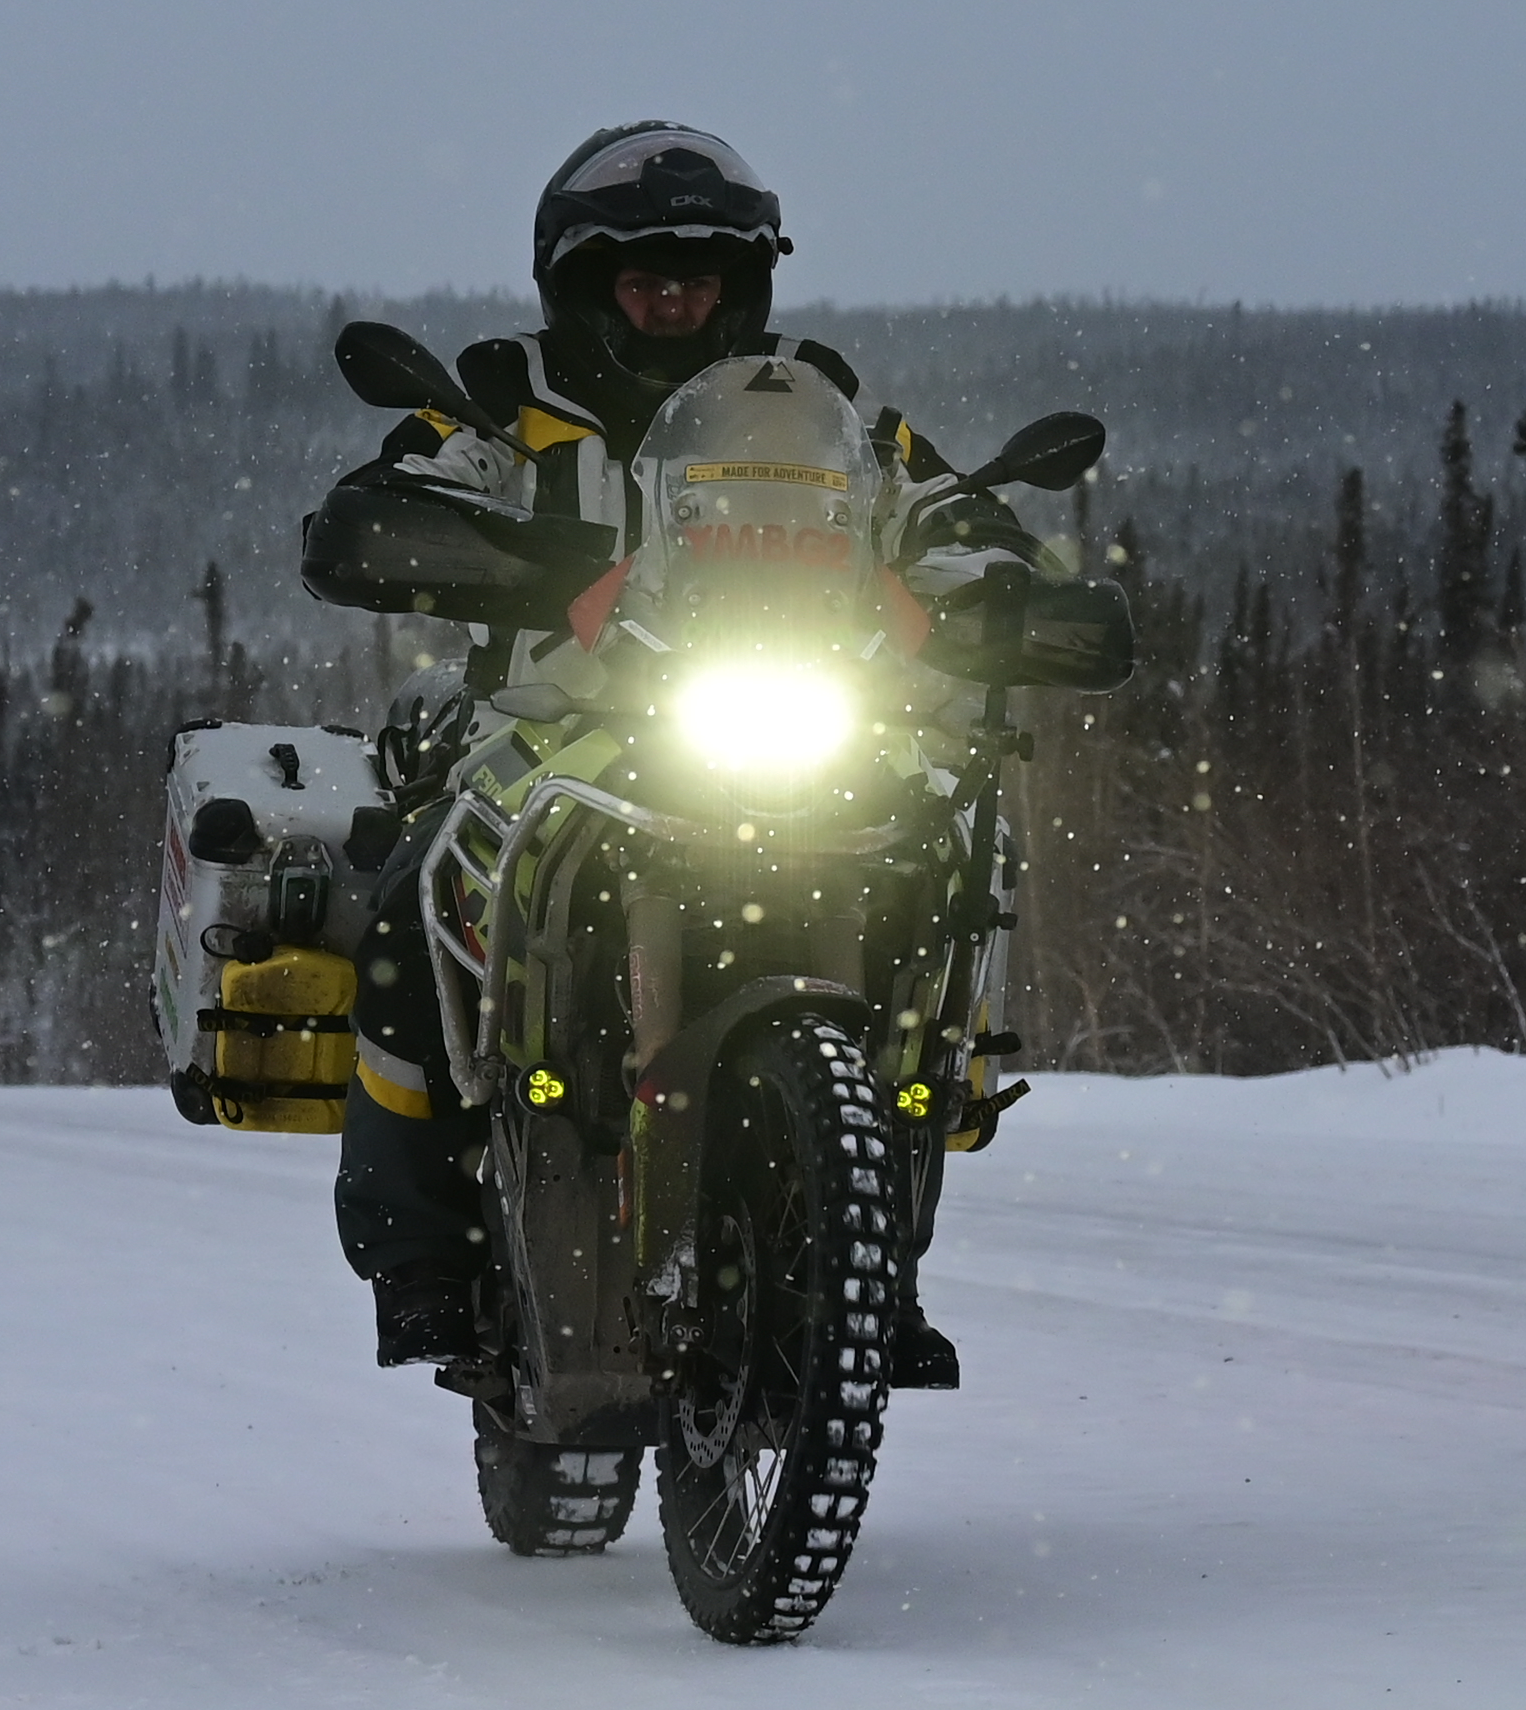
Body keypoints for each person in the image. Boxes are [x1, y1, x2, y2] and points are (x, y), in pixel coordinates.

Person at [295, 121, 1041, 1375]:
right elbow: (375, 515)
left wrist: (1007, 592)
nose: (673, 294)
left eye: (701, 271)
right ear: (580, 280)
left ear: (745, 281)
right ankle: (420, 1255)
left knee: (952, 867)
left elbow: (946, 513)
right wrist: (518, 562)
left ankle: (875, 1259)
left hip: (802, 722)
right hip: (553, 731)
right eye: (640, 271)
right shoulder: (504, 404)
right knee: (418, 889)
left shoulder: (823, 411)